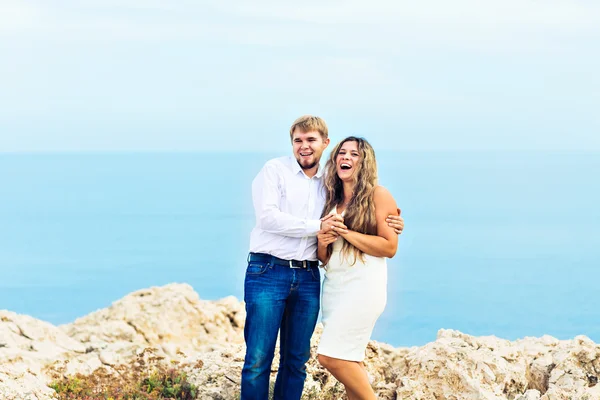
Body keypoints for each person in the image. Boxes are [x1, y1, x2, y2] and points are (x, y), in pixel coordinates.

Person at [241, 116, 404, 400]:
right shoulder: (280, 172)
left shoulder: (334, 188)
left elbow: (383, 240)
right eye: (298, 141)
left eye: (311, 140)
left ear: (324, 144)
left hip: (309, 277)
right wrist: (322, 233)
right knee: (257, 360)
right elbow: (269, 219)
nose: (304, 146)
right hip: (269, 271)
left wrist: (388, 224)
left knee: (299, 360)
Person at [316, 136, 398, 400]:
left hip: (364, 287)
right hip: (334, 288)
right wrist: (322, 242)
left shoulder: (378, 194)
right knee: (350, 359)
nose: (346, 158)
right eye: (342, 153)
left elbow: (389, 247)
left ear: (365, 163)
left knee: (329, 357)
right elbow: (326, 259)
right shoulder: (331, 200)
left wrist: (347, 233)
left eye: (354, 154)